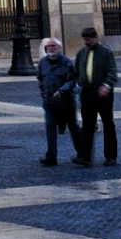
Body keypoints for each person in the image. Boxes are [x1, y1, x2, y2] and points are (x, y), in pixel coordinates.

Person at [71, 27, 118, 167]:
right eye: (84, 40)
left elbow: (112, 72)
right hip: (87, 92)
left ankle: (110, 156)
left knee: (108, 123)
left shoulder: (106, 52)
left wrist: (106, 85)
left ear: (95, 38)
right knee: (87, 125)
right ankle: (85, 156)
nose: (86, 42)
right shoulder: (81, 53)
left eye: (88, 39)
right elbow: (76, 71)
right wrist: (78, 84)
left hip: (103, 92)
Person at [36, 37, 76, 166]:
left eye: (54, 46)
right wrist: (42, 91)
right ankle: (51, 157)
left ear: (59, 48)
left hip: (66, 102)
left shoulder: (67, 62)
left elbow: (72, 79)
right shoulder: (42, 63)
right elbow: (40, 78)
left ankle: (83, 154)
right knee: (50, 128)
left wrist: (62, 90)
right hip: (49, 102)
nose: (51, 48)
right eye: (49, 47)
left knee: (73, 127)